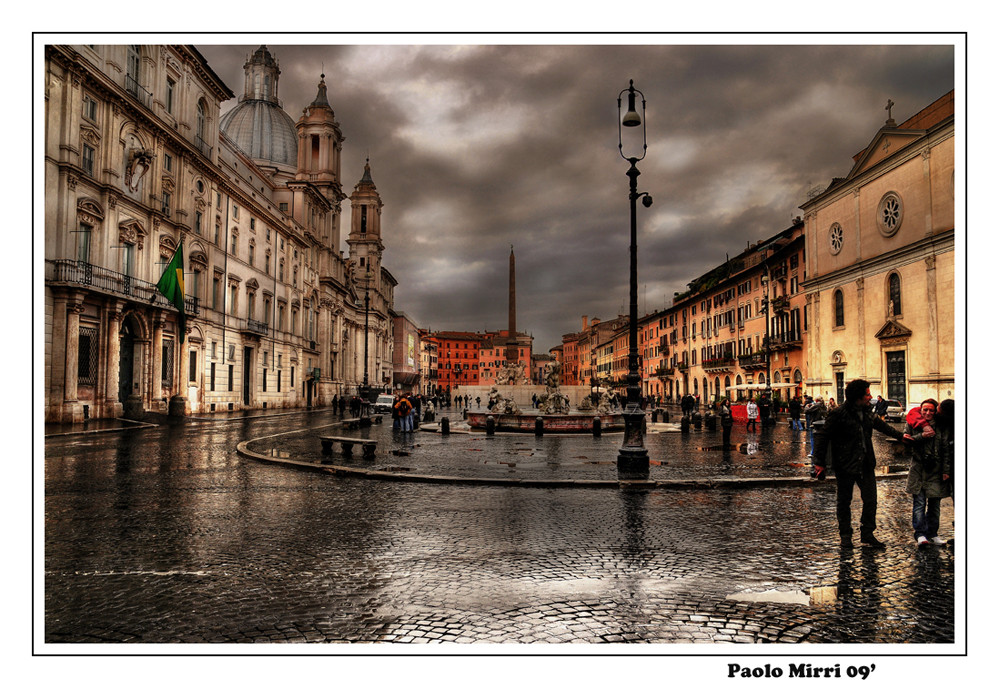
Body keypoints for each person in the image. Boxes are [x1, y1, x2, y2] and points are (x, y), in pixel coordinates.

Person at [812, 379, 907, 549]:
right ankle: (845, 535)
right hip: (845, 463)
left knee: (871, 500)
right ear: (857, 396)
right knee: (844, 501)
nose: (870, 397)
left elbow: (881, 426)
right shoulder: (838, 413)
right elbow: (823, 437)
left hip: (866, 463)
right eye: (867, 394)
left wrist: (901, 436)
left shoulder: (867, 412)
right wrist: (819, 463)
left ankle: (867, 534)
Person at [905, 399, 953, 548]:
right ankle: (920, 534)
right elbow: (907, 442)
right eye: (925, 410)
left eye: (931, 410)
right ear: (920, 410)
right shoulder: (913, 423)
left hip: (936, 471)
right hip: (918, 470)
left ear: (936, 411)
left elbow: (945, 449)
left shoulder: (941, 425)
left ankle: (932, 533)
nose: (928, 413)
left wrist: (946, 470)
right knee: (919, 504)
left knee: (934, 505)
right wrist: (922, 436)